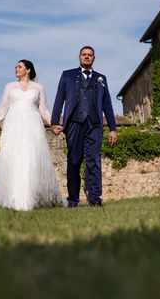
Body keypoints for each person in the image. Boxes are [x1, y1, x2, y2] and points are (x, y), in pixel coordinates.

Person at [0, 59, 62, 211]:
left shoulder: (38, 87)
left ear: (28, 70)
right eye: (15, 66)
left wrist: (53, 124)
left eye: (20, 66)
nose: (16, 68)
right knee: (12, 159)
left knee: (30, 159)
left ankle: (31, 197)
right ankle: (14, 198)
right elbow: (3, 108)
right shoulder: (9, 86)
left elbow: (43, 110)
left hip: (32, 126)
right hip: (13, 126)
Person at [51, 46, 118, 207]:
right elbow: (59, 99)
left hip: (94, 124)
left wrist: (113, 128)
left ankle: (95, 198)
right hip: (74, 123)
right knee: (73, 161)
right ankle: (73, 199)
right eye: (84, 55)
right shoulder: (67, 75)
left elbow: (107, 105)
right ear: (79, 57)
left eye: (90, 55)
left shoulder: (101, 78)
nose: (87, 57)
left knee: (93, 161)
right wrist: (54, 122)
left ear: (94, 58)